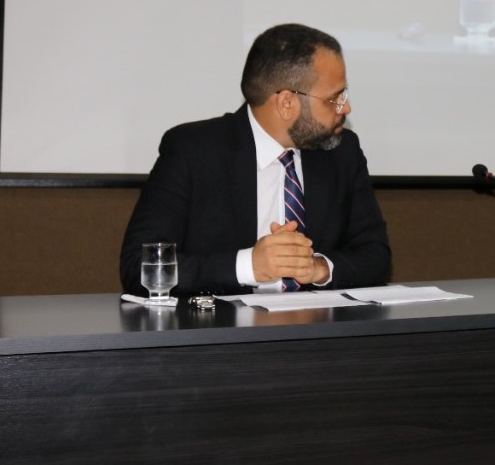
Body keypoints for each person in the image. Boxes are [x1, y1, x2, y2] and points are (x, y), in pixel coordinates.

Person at [120, 23, 391, 296]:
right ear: (286, 103)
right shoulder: (193, 152)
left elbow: (376, 255)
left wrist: (319, 268)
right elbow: (139, 267)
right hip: (224, 322)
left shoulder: (341, 152)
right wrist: (249, 266)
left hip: (318, 321)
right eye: (334, 99)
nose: (346, 108)